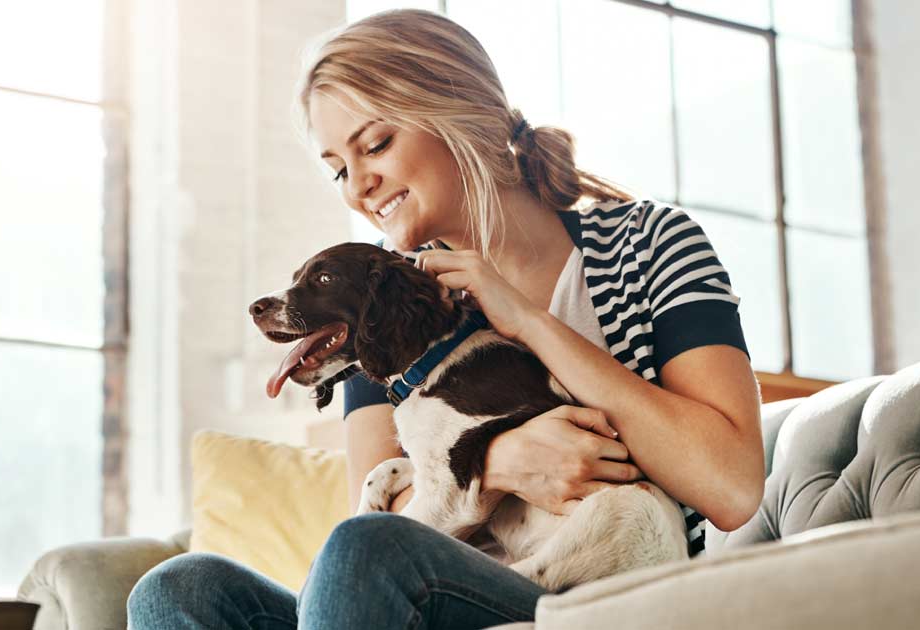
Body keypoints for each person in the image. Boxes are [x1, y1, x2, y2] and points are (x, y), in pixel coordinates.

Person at [128, 8, 764, 629]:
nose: (358, 187)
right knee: (181, 589)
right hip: (415, 596)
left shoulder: (649, 243)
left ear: (458, 111)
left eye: (375, 144)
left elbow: (730, 487)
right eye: (339, 171)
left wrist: (530, 322)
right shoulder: (387, 301)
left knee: (364, 555)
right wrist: (497, 462)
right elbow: (382, 509)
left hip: (593, 596)